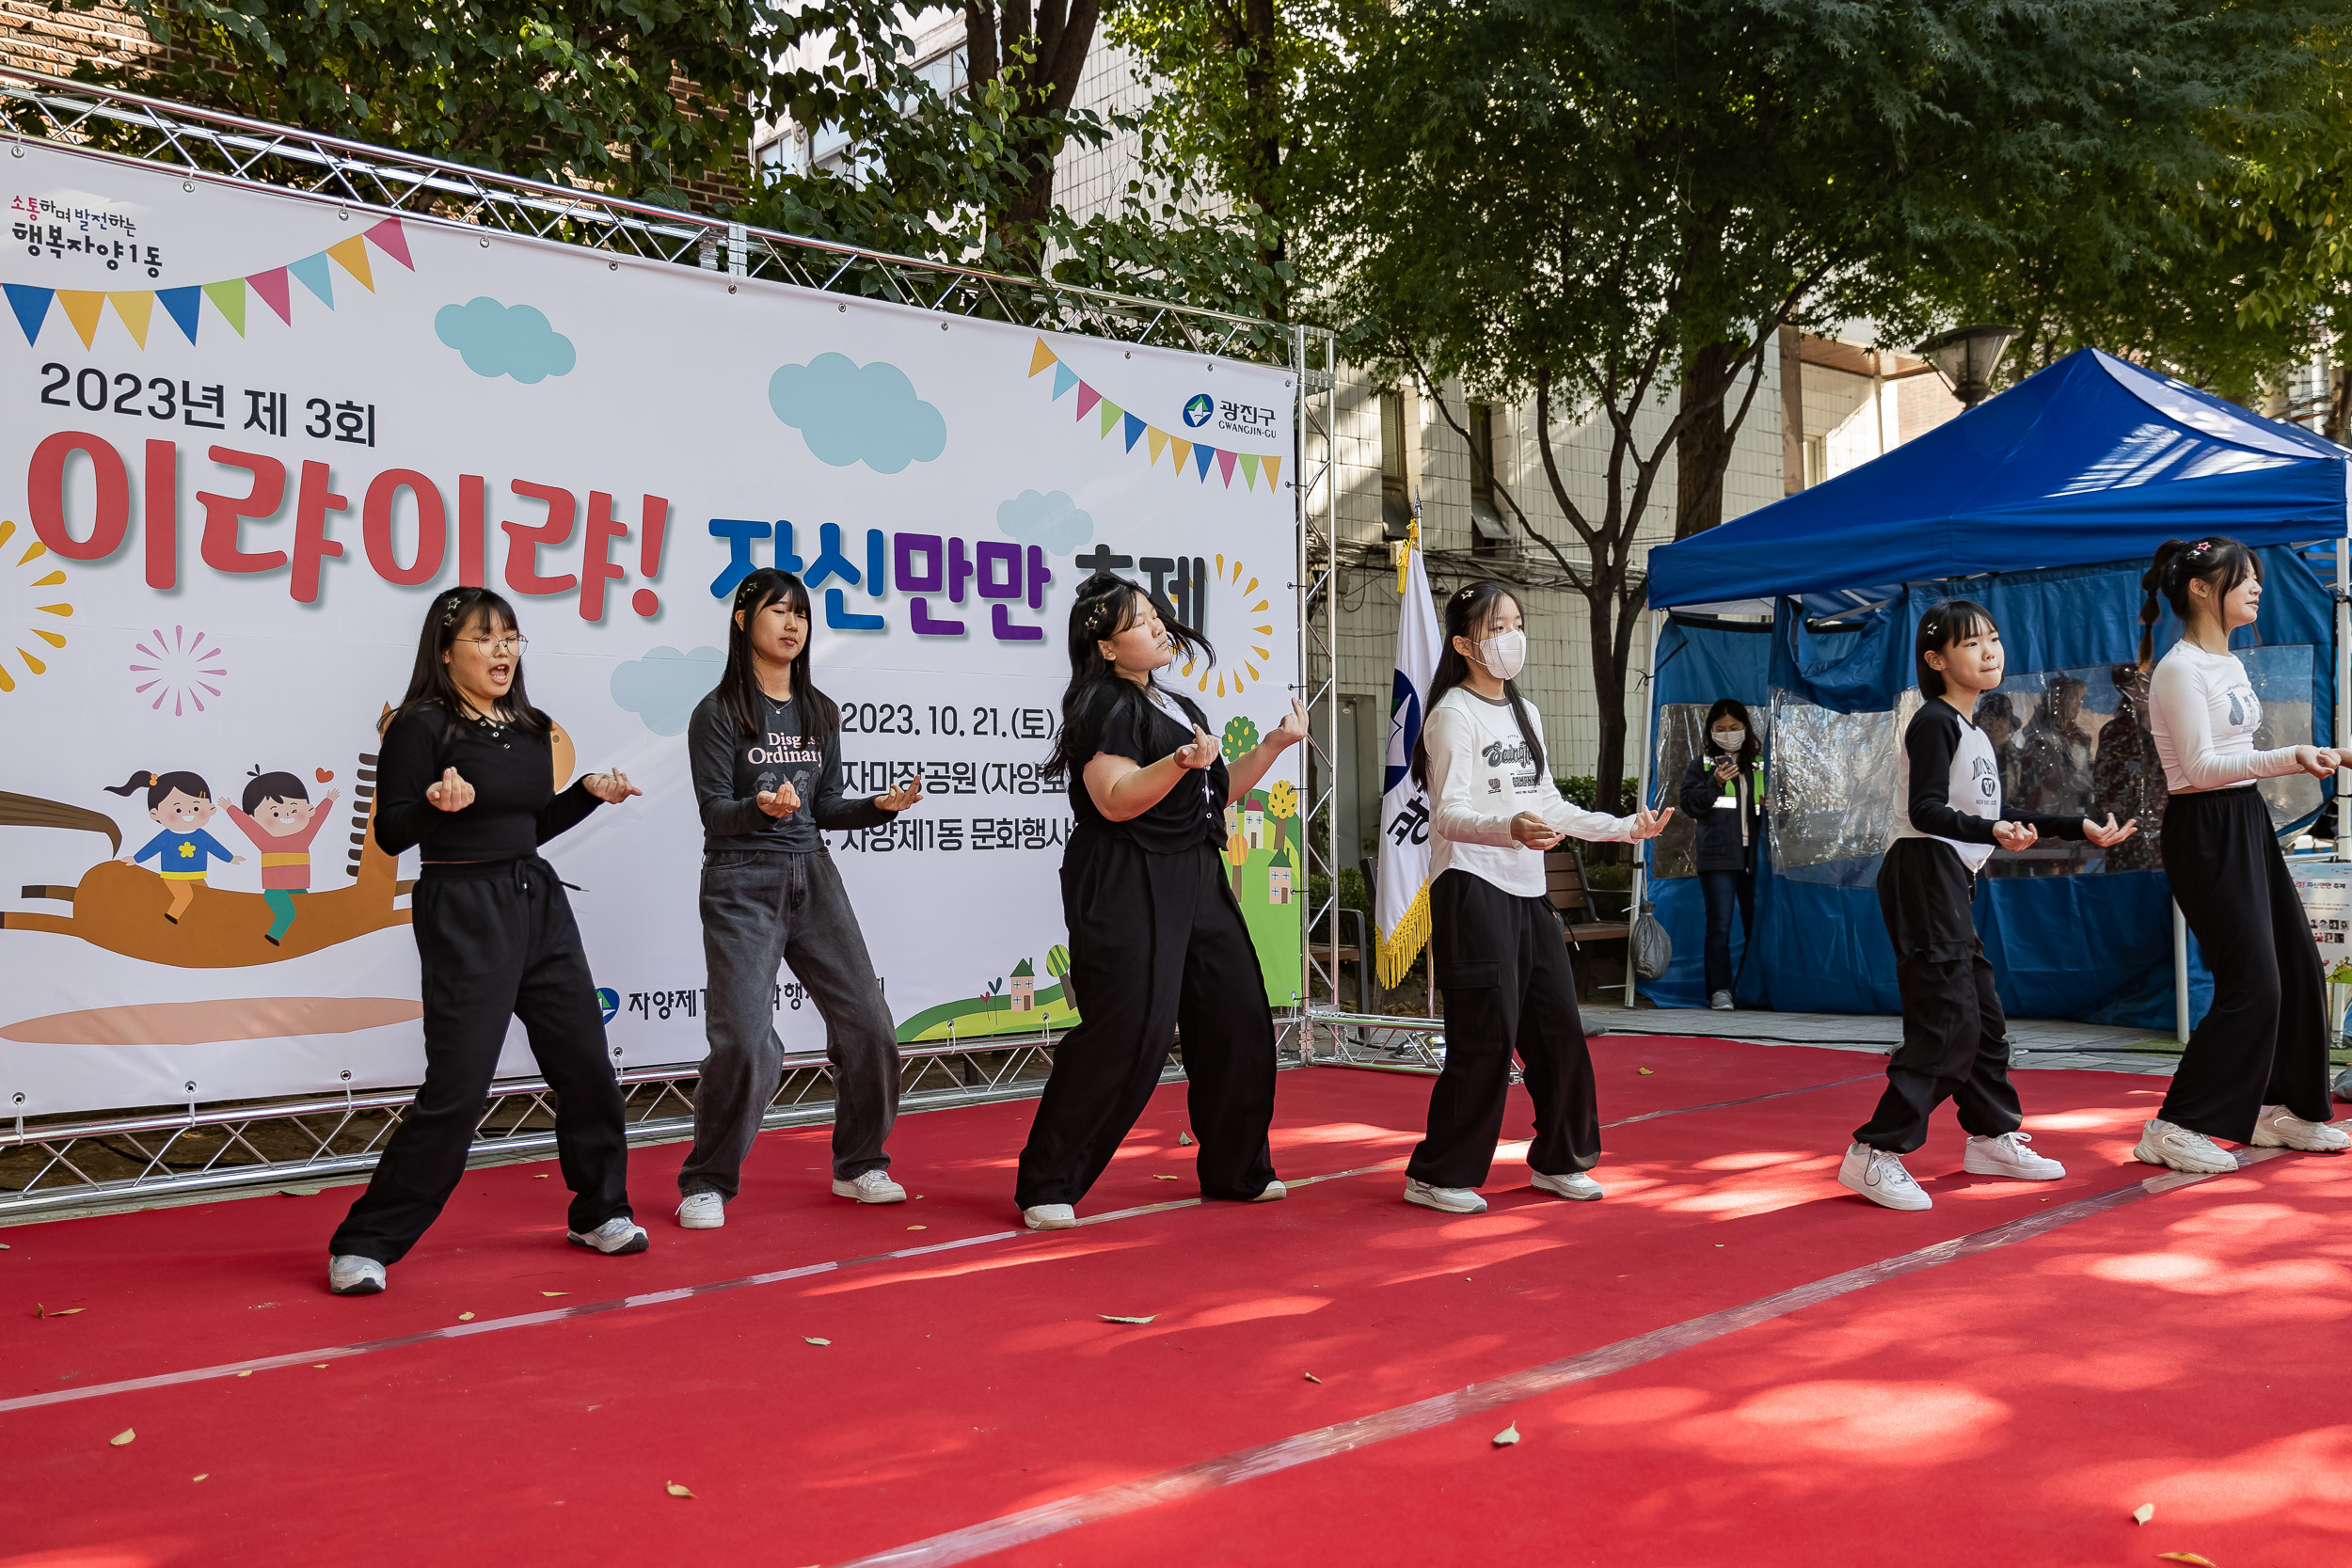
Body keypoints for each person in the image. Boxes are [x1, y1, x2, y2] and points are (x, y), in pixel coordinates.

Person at [326, 586, 646, 1295]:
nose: (503, 650)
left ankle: (600, 1211)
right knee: (459, 1087)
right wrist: (434, 806)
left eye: (511, 636)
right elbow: (390, 832)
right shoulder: (419, 727)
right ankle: (365, 1240)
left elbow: (527, 828)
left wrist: (588, 791)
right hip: (462, 907)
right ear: (446, 652)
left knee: (587, 1065)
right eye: (485, 637)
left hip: (536, 898)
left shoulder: (529, 726)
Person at [1012, 571, 1308, 1229]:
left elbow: (1216, 792)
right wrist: (1176, 763)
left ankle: (1238, 1168)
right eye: (1139, 621)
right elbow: (1115, 798)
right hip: (1126, 874)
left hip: (1196, 871)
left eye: (1154, 615)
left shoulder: (1178, 706)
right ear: (1108, 647)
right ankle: (1048, 1181)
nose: (1157, 627)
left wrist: (1272, 745)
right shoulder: (1104, 705)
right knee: (1130, 1032)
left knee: (1237, 1016)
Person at [1838, 599, 2139, 1212]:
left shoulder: (1973, 729)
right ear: (1935, 659)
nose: (1989, 650)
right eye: (1971, 643)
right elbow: (1927, 811)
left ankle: (1991, 1135)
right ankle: (1875, 1152)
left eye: (1994, 639)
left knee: (1984, 1018)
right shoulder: (1935, 721)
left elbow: (1993, 818)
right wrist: (1989, 833)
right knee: (1949, 1022)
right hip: (1924, 871)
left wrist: (2082, 826)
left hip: (1949, 878)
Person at [1402, 580, 1672, 1215]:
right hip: (1472, 886)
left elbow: (1550, 803)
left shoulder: (1527, 713)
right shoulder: (1451, 714)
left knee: (1558, 1032)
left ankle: (1561, 1159)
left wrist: (1623, 826)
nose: (1511, 637)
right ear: (1465, 643)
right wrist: (1509, 829)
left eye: (1516, 623)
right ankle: (1438, 1172)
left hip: (1528, 890)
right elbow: (1449, 815)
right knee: (1485, 1037)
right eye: (1496, 628)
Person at [675, 569, 924, 1228]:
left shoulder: (819, 710)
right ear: (741, 620)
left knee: (869, 1022)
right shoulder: (717, 712)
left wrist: (880, 806)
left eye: (801, 615)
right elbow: (713, 813)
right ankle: (707, 1180)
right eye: (777, 611)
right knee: (745, 1041)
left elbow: (825, 806)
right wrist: (759, 807)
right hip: (740, 880)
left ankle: (860, 1163)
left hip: (813, 875)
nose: (792, 625)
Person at [2134, 537, 2348, 1172]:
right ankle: (2174, 1124)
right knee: (2252, 980)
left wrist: (2308, 754)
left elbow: (2234, 758)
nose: (2257, 585)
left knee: (2300, 966)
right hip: (2204, 828)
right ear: (2202, 588)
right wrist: (2293, 756)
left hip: (2244, 818)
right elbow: (2199, 767)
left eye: (2257, 576)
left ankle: (2280, 1109)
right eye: (2244, 576)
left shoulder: (2226, 660)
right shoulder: (2179, 668)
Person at [1677, 699, 1763, 1010]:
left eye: (1734, 728)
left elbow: (1784, 812)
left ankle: (1754, 988)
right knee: (1720, 927)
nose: (1728, 734)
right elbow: (1690, 805)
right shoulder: (1702, 765)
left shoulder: (1761, 764)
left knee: (1757, 924)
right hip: (1718, 858)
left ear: (1746, 728)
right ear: (1711, 732)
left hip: (1756, 858)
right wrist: (1714, 782)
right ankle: (1720, 990)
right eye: (1721, 729)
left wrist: (1774, 806)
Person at [108, 768, 243, 925]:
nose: (188, 813)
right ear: (155, 814)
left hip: (196, 875)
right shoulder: (167, 837)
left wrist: (230, 858)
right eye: (178, 809)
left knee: (207, 897)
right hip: (173, 875)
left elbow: (215, 847)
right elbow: (151, 848)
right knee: (185, 896)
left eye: (196, 807)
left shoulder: (201, 835)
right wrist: (136, 859)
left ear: (210, 809)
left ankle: (205, 921)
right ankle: (171, 917)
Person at [223, 767, 339, 945]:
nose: (285, 816)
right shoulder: (265, 841)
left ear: (308, 809)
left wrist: (328, 801)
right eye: (275, 813)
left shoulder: (303, 837)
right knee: (288, 913)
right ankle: (273, 936)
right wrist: (230, 809)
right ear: (254, 818)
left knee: (308, 908)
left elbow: (317, 820)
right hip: (275, 890)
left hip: (298, 887)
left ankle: (308, 938)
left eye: (294, 810)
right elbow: (246, 825)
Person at [2090, 663, 2168, 873]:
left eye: (2144, 683)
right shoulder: (2116, 731)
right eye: (2133, 686)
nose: (2139, 692)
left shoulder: (2171, 725)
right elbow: (2104, 786)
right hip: (2124, 833)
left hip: (2167, 832)